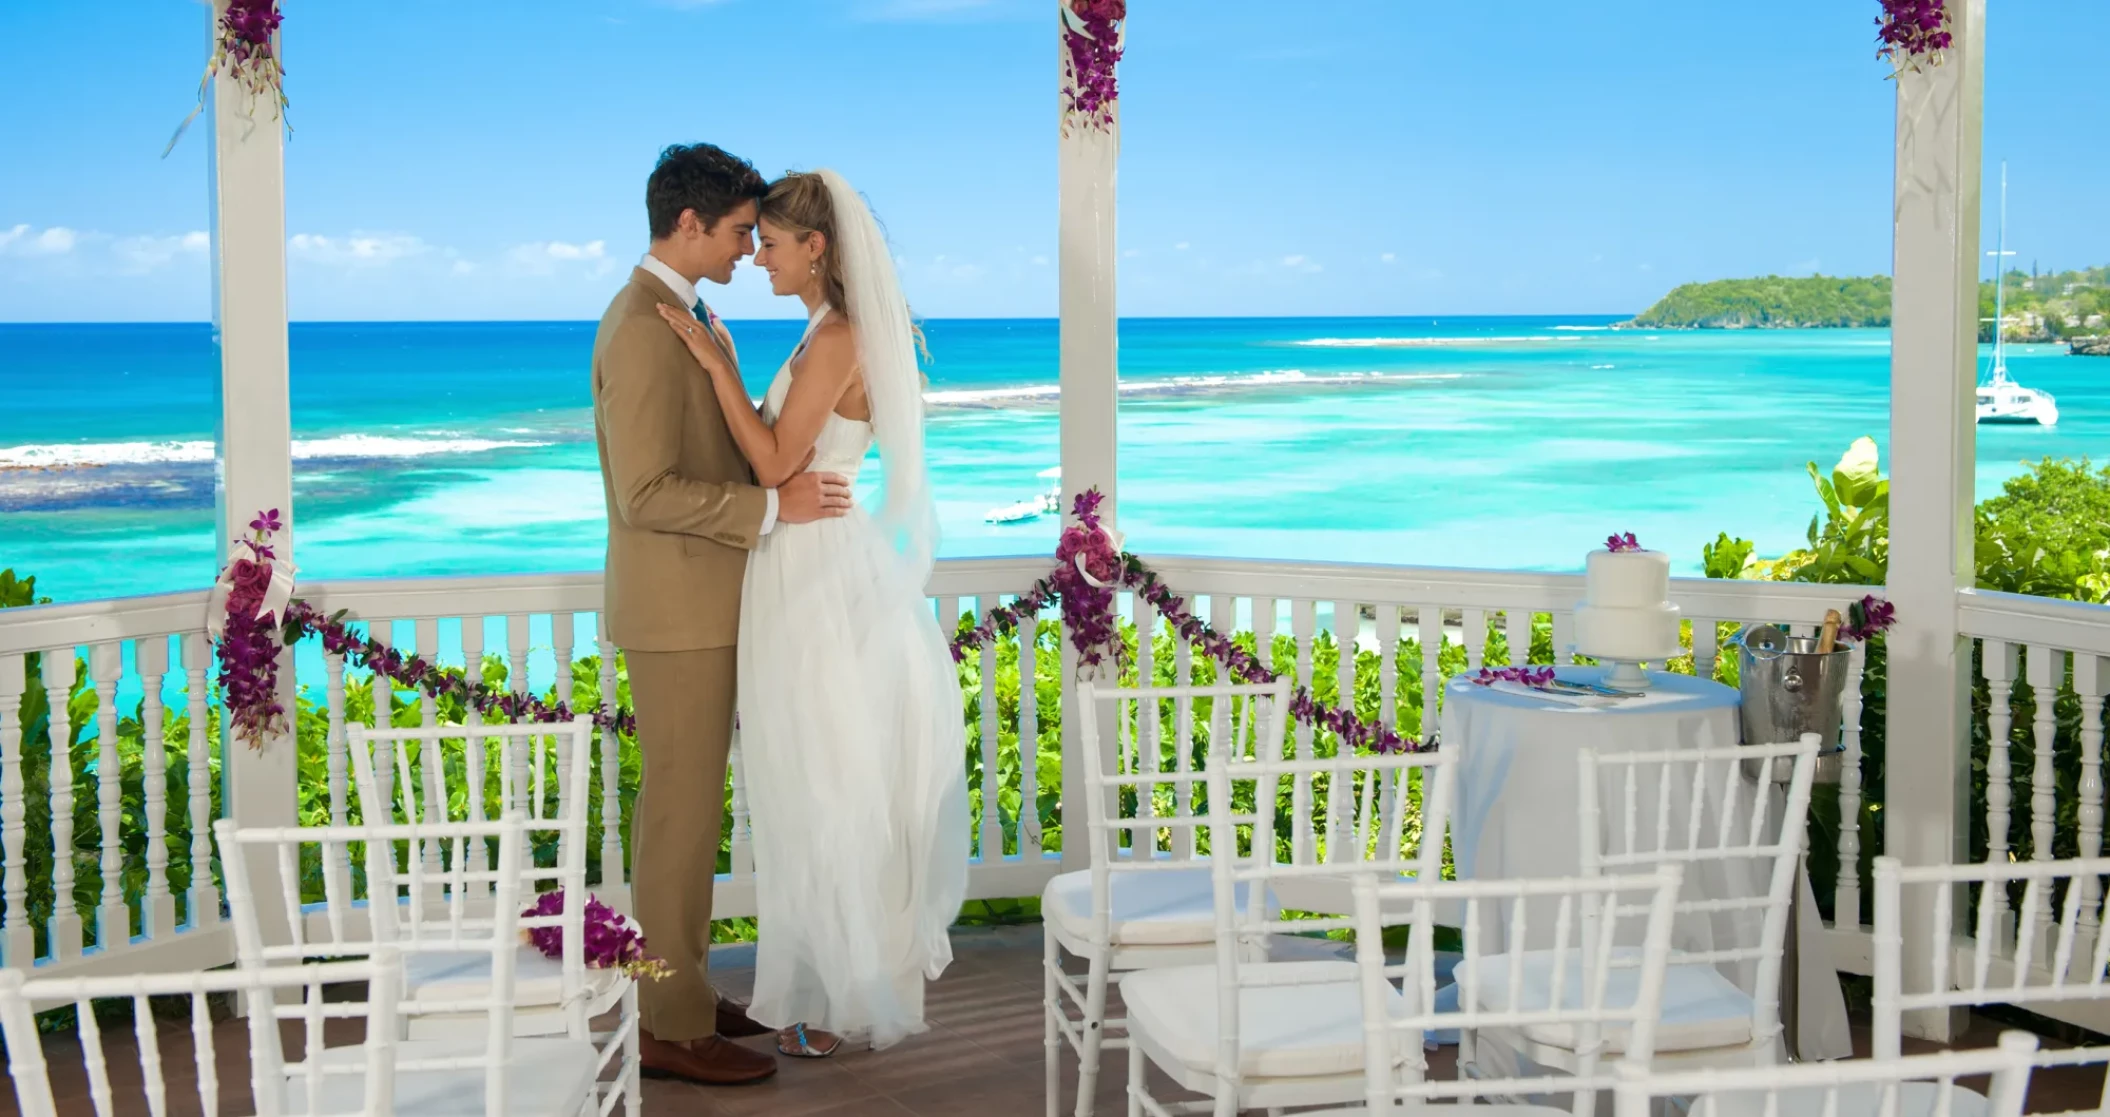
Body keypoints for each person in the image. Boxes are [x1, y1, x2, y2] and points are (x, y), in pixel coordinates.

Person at [654, 167, 970, 1056]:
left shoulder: (839, 340)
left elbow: (773, 463)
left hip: (816, 573)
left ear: (816, 247)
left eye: (773, 243)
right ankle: (821, 990)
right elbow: (776, 453)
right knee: (809, 782)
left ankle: (835, 999)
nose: (757, 257)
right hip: (796, 562)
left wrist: (716, 365)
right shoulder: (821, 335)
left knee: (825, 782)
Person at [590, 143, 852, 1086]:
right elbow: (647, 491)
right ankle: (666, 1022)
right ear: (690, 224)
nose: (751, 249)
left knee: (697, 816)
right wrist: (775, 508)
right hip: (679, 612)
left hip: (713, 601)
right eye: (743, 231)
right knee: (679, 818)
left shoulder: (690, 318)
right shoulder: (638, 326)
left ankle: (688, 996)